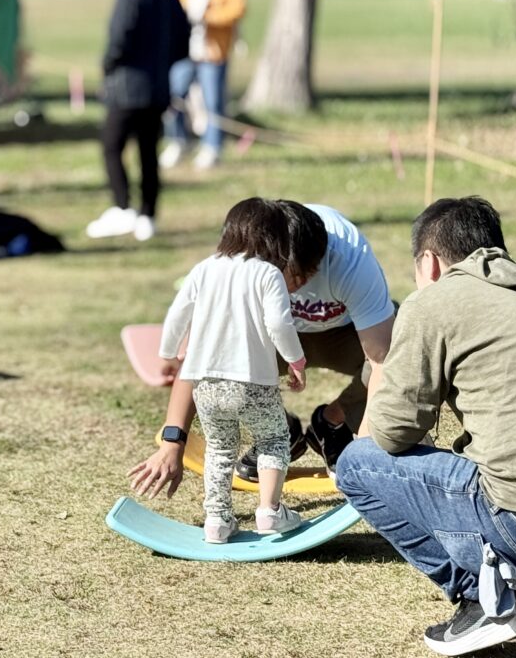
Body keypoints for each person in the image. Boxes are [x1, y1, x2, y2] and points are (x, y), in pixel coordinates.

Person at [335, 198, 516, 654]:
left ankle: (485, 597)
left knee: (357, 464)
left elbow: (393, 431)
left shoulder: (433, 301)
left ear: (430, 263)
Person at [128, 199, 395, 494]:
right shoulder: (239, 264)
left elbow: (383, 359)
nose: (298, 285)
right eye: (291, 278)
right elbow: (200, 359)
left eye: (309, 276)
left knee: (402, 350)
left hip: (344, 333)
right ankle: (281, 432)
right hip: (270, 340)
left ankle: (332, 422)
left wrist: (369, 452)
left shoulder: (351, 259)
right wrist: (172, 443)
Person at [154, 198, 309, 542]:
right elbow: (280, 325)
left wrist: (167, 353)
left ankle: (217, 520)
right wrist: (296, 361)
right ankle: (269, 511)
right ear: (277, 240)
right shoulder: (268, 274)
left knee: (220, 447)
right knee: (272, 438)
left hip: (205, 381)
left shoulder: (204, 268)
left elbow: (178, 312)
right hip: (252, 380)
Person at [85, 0, 189, 243]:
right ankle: (148, 214)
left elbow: (119, 40)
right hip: (157, 88)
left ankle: (122, 207)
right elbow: (183, 42)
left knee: (111, 145)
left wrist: (106, 67)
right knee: (148, 153)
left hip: (126, 88)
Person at [162, 0, 247, 171]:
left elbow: (238, 8)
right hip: (185, 51)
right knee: (173, 96)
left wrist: (209, 17)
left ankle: (212, 147)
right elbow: (177, 6)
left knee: (213, 102)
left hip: (212, 52)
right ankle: (177, 141)